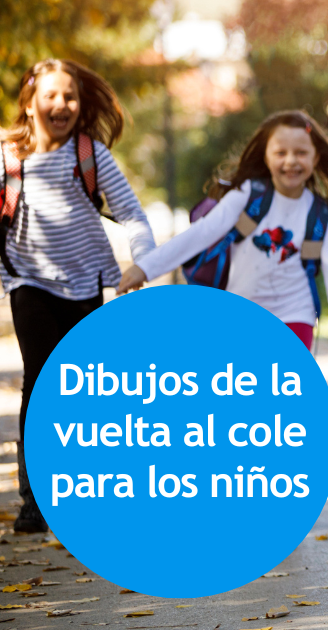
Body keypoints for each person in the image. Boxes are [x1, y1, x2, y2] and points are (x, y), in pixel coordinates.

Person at [1, 59, 157, 533]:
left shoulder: (89, 154)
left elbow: (132, 214)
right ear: (30, 103)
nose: (61, 104)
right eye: (50, 95)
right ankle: (35, 499)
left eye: (69, 96)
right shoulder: (9, 158)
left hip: (86, 284)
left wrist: (142, 262)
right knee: (39, 379)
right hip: (28, 281)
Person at [118, 111, 328, 378]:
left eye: (301, 152)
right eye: (281, 152)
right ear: (266, 156)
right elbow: (200, 234)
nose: (291, 160)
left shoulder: (319, 213)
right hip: (241, 316)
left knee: (283, 390)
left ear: (316, 158)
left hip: (296, 317)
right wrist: (146, 267)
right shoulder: (248, 196)